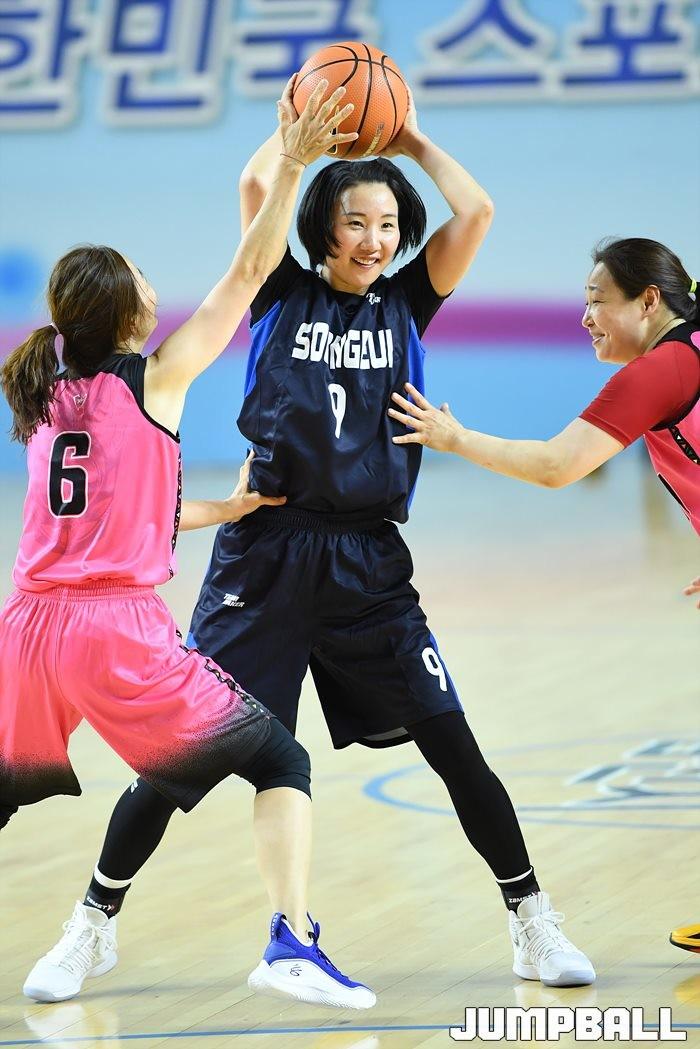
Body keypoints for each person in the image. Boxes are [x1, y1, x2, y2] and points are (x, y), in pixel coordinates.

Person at [34, 88, 595, 994]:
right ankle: (90, 927)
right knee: (179, 759)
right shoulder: (280, 292)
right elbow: (254, 186)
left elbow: (478, 211)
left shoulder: (408, 303)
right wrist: (296, 135)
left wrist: (408, 138)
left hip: (370, 561)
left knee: (454, 745)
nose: (375, 239)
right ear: (323, 227)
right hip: (264, 554)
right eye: (356, 221)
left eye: (388, 223)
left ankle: (532, 921)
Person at [2, 79, 377, 1010]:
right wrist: (293, 165)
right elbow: (249, 273)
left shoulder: (47, 392)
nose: (152, 280)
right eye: (139, 273)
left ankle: (90, 931)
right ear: (127, 309)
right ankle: (289, 941)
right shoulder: (153, 380)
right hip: (115, 631)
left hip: (28, 628)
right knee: (281, 762)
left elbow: (120, 516)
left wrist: (228, 506)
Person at [388, 236, 699, 952]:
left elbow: (559, 465)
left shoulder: (663, 369)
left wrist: (454, 438)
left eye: (597, 300)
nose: (585, 317)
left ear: (648, 301)